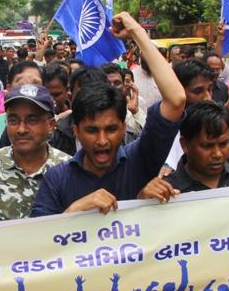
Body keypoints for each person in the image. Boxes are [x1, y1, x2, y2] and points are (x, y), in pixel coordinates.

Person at [30, 11, 186, 217]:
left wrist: (136, 32)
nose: (102, 141)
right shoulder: (56, 179)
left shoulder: (140, 160)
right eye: (92, 130)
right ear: (76, 130)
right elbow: (39, 242)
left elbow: (176, 100)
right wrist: (74, 212)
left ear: (123, 127)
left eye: (111, 129)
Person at [0, 84, 70, 220]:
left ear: (51, 125)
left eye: (32, 120)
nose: (21, 129)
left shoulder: (67, 170)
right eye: (13, 120)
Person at [0, 61, 43, 143]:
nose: (28, 90)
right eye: (22, 84)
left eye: (34, 84)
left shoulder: (56, 126)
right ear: (9, 89)